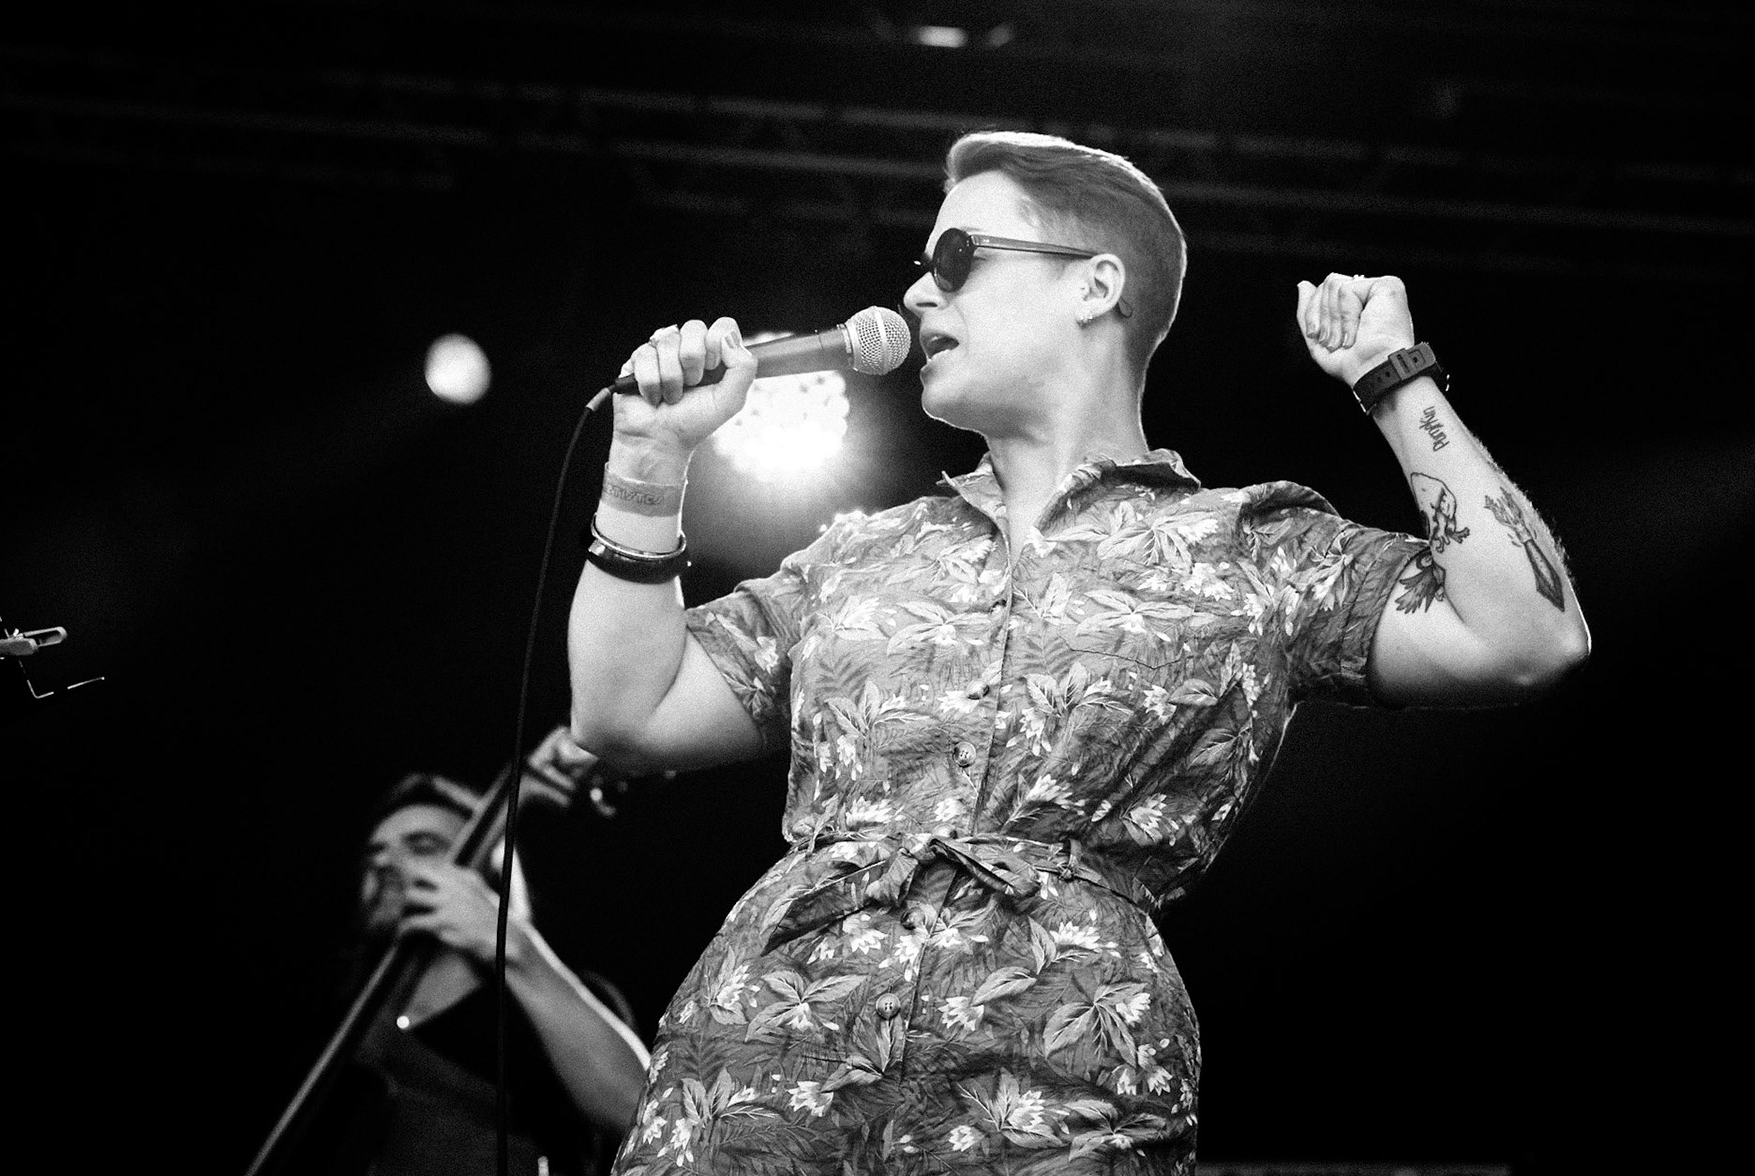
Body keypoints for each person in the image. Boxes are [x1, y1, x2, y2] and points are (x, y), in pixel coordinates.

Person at [566, 130, 1590, 1173]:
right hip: (755, 1068)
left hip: (1054, 1085)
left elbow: (1526, 633)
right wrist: (648, 458)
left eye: (957, 257)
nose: (919, 295)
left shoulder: (1246, 546)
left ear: (1097, 285)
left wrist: (1393, 374)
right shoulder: (858, 553)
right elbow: (624, 711)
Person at [329, 770, 650, 1176]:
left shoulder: (561, 997)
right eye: (374, 853)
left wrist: (515, 950)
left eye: (422, 846)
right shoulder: (345, 1014)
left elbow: (645, 1117)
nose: (384, 864)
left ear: (493, 870)